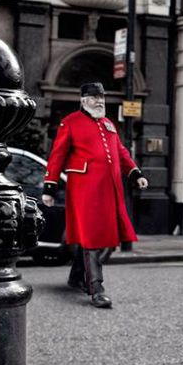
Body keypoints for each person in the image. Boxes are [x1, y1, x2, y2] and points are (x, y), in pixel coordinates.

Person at [41, 83, 146, 308]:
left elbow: (120, 151)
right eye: (94, 97)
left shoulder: (108, 124)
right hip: (84, 188)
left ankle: (76, 276)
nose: (99, 101)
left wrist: (135, 172)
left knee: (107, 235)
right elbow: (57, 155)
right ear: (83, 100)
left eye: (102, 97)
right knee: (91, 236)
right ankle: (96, 288)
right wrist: (50, 186)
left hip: (110, 189)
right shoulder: (70, 123)